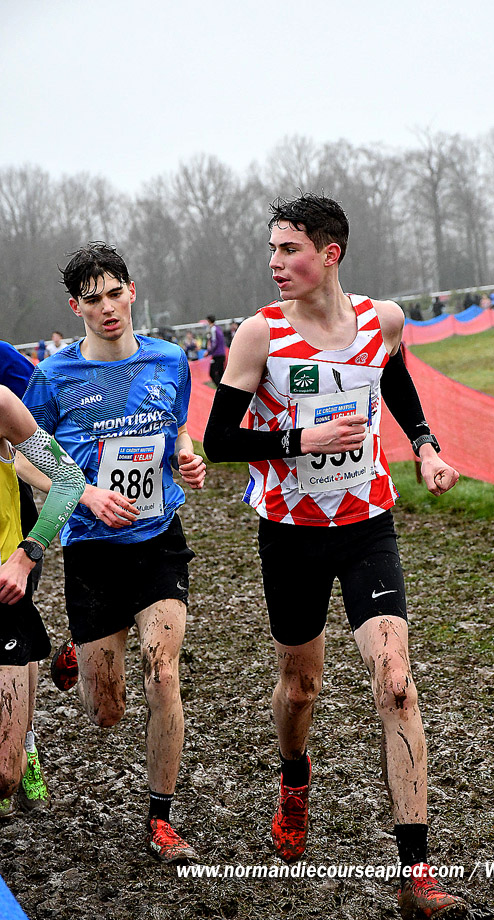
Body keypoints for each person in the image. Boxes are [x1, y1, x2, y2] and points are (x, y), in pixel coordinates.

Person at [203, 194, 468, 919]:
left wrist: (425, 446)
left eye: (288, 249)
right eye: (271, 249)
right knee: (301, 690)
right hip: (290, 533)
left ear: (330, 254)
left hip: (366, 525)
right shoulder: (260, 334)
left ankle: (416, 874)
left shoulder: (384, 320)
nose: (275, 262)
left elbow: (393, 378)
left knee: (396, 684)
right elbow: (219, 442)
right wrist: (299, 441)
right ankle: (294, 778)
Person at [23, 242, 206, 863]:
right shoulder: (53, 377)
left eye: (114, 293)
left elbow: (179, 428)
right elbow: (24, 458)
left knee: (163, 671)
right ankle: (78, 651)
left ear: (132, 291)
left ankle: (161, 819)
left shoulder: (170, 359)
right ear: (75, 307)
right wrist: (85, 493)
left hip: (158, 540)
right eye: (92, 299)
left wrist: (187, 456)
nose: (107, 308)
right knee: (105, 711)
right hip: (92, 550)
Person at [0, 386, 85, 816]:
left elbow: (69, 479)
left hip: (4, 588)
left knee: (4, 777)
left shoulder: (2, 402)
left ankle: (26, 746)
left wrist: (27, 554)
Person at [205, 315, 226, 386]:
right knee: (220, 372)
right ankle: (222, 387)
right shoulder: (218, 328)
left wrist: (208, 351)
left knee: (212, 373)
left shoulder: (213, 329)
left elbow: (214, 342)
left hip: (217, 354)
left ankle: (219, 387)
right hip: (222, 353)